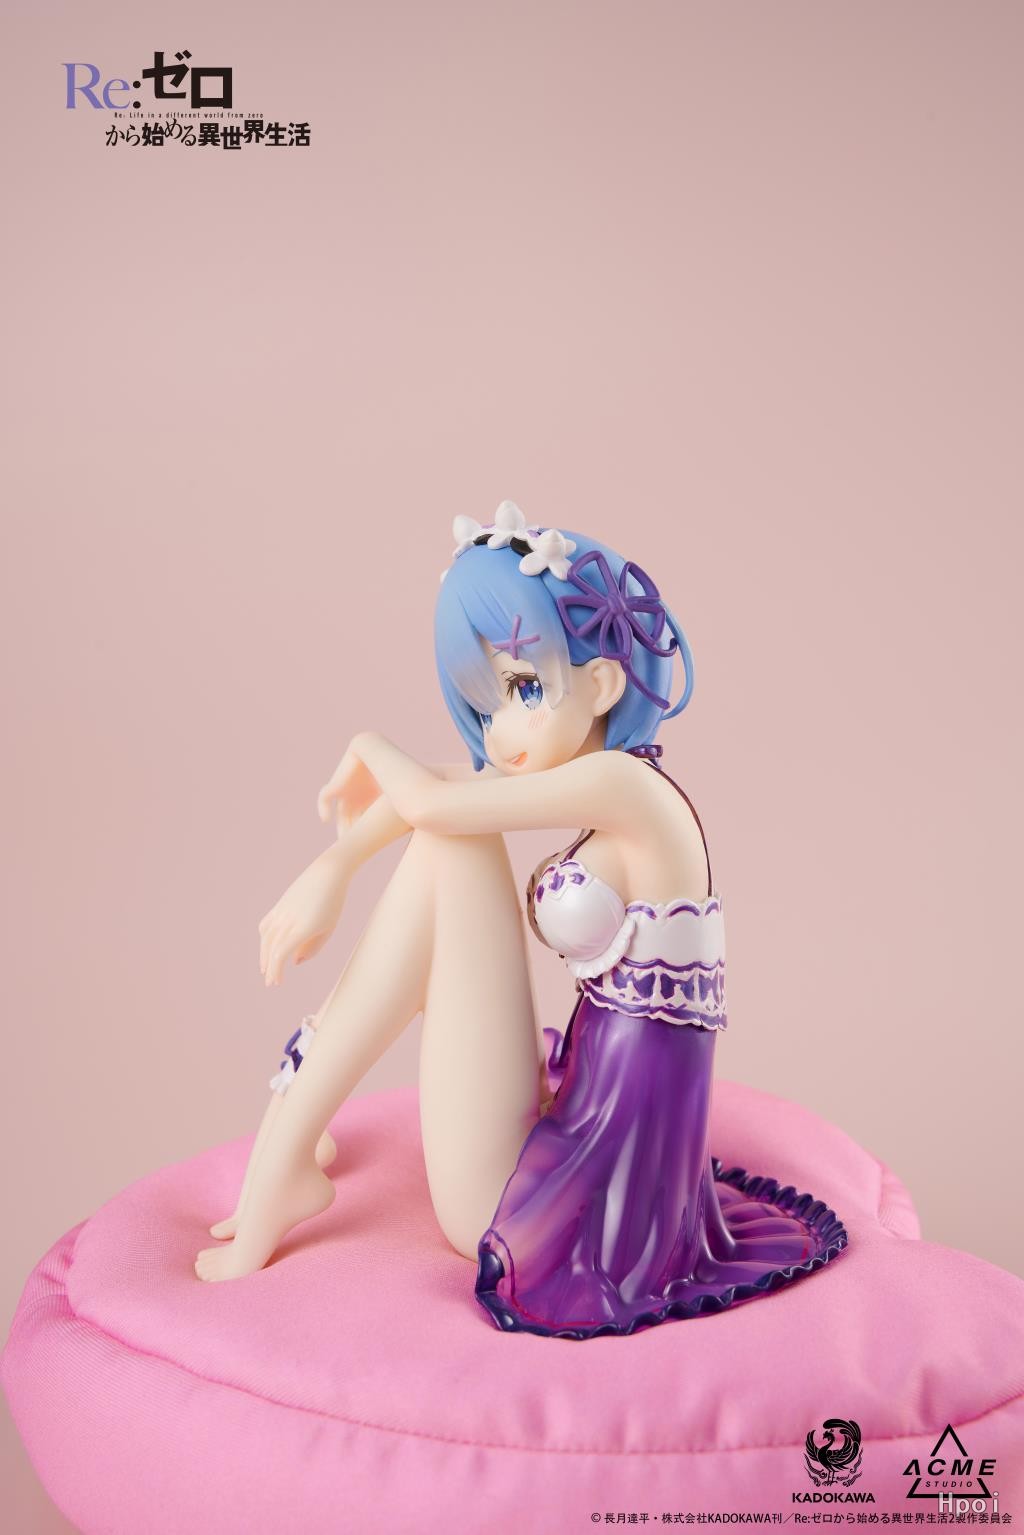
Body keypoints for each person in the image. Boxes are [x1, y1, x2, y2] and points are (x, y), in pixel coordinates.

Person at [194, 502, 847, 1338]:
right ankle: (289, 1148)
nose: (500, 733)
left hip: (567, 1213)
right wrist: (337, 861)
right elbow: (450, 789)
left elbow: (436, 802)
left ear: (602, 683)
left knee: (448, 846)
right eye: (488, 703)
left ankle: (284, 1153)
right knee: (447, 844)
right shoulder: (616, 786)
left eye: (525, 690)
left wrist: (364, 749)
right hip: (570, 1124)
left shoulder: (628, 789)